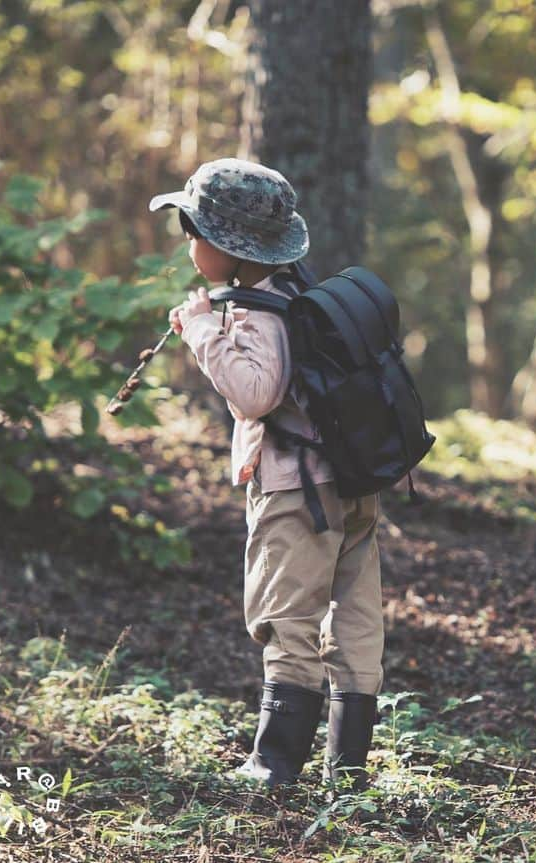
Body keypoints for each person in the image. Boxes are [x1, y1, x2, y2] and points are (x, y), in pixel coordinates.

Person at [149, 157, 384, 794]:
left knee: (286, 616)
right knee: (354, 616)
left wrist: (203, 330)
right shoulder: (295, 292)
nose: (189, 244)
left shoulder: (260, 312)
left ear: (226, 244)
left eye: (190, 231)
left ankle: (275, 762)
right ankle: (348, 768)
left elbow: (256, 394)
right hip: (350, 481)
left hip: (297, 488)